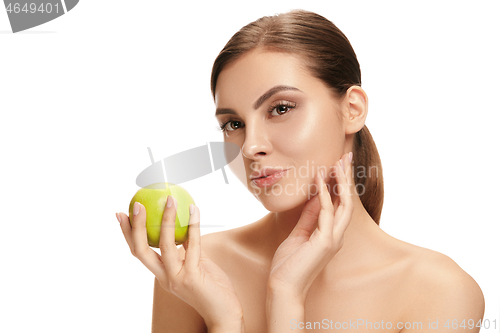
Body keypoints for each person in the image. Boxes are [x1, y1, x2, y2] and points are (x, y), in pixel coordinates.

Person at [116, 9, 484, 333]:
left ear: (352, 109)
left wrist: (286, 297)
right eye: (233, 124)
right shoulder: (197, 272)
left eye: (281, 108)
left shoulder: (438, 291)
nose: (249, 146)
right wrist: (225, 322)